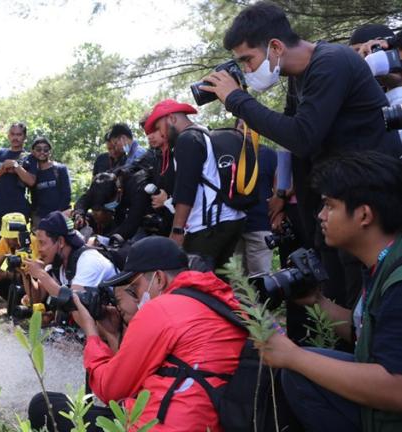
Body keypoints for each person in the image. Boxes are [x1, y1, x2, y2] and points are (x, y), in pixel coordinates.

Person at [202, 1, 402, 305]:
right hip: (340, 203)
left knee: (363, 301)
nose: (246, 70)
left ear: (276, 47)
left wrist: (237, 100)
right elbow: (292, 140)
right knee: (340, 297)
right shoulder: (299, 76)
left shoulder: (332, 62)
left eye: (248, 59)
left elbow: (302, 136)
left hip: (368, 207)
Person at [28, 237, 247, 431]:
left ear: (159, 279)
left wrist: (91, 332)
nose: (137, 296)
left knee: (43, 405)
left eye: (135, 287)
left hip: (159, 425)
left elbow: (109, 390)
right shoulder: (222, 303)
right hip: (206, 420)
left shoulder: (162, 309)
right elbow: (142, 382)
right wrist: (114, 336)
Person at [258, 152, 402, 432]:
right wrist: (318, 302)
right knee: (302, 375)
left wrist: (293, 356)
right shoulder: (383, 261)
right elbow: (369, 331)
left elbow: (396, 387)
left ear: (363, 215)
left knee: (300, 370)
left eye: (329, 206)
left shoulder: (398, 279)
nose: (321, 216)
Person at [143, 99, 247, 270]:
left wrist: (177, 230)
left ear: (171, 119)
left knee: (197, 286)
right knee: (224, 284)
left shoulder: (187, 139)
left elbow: (186, 190)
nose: (161, 134)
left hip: (208, 227)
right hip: (231, 219)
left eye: (159, 127)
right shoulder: (204, 133)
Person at [0, 122, 37, 265]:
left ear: (24, 137)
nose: (15, 138)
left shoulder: (29, 158)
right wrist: (3, 169)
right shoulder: (0, 154)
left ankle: (13, 280)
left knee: (16, 247)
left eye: (19, 134)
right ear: (8, 135)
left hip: (18, 211)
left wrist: (16, 167)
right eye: (13, 134)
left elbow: (32, 181)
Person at [24, 211, 117, 299]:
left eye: (42, 243)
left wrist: (41, 274)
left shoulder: (88, 261)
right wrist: (25, 274)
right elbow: (37, 297)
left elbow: (74, 303)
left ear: (61, 241)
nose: (39, 249)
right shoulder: (57, 264)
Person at [234, 119, 278, 275]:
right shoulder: (228, 154)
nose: (246, 130)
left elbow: (279, 187)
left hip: (261, 226)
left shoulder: (269, 154)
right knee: (237, 282)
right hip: (233, 228)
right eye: (241, 126)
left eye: (251, 126)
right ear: (235, 130)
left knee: (260, 278)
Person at [29, 137, 71, 224]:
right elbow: (34, 198)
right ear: (33, 152)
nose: (42, 152)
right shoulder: (32, 174)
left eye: (46, 150)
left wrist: (59, 215)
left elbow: (66, 194)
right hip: (41, 218)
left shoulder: (60, 169)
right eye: (38, 149)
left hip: (60, 215)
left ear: (50, 152)